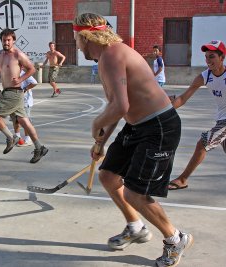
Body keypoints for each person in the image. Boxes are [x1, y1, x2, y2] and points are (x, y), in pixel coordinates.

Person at [73, 13, 192, 267]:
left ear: (85, 36)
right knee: (108, 176)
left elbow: (120, 105)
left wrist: (96, 124)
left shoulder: (112, 55)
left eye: (76, 38)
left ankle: (175, 239)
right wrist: (102, 143)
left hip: (159, 127)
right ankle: (135, 226)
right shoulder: (108, 55)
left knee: (135, 192)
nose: (76, 44)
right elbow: (117, 106)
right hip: (137, 125)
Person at [168, 40, 226, 191]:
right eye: (206, 57)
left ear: (222, 58)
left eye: (212, 56)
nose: (208, 60)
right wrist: (165, 108)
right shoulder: (204, 77)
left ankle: (182, 179)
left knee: (203, 143)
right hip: (221, 118)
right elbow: (182, 98)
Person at [0, 28, 48, 163]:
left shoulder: (18, 54)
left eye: (9, 40)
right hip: (7, 91)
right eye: (4, 40)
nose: (6, 42)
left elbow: (32, 69)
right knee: (24, 121)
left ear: (13, 40)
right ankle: (39, 147)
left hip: (14, 93)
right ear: (1, 41)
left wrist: (20, 79)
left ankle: (11, 137)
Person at [14, 67, 38, 147]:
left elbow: (34, 82)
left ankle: (28, 139)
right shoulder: (12, 74)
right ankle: (17, 137)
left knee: (25, 121)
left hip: (25, 101)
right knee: (15, 120)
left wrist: (25, 89)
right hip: (15, 101)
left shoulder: (25, 74)